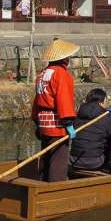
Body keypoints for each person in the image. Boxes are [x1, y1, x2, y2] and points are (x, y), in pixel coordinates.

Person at [31, 37, 79, 182]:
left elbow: (37, 100)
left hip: (43, 122)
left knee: (46, 155)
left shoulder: (42, 74)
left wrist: (37, 122)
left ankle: (42, 182)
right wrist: (69, 123)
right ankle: (55, 188)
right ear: (64, 59)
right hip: (57, 124)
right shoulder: (61, 75)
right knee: (59, 158)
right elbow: (63, 100)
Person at [69, 88, 111, 172]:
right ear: (101, 102)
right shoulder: (105, 118)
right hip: (95, 162)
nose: (107, 103)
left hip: (74, 159)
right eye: (106, 100)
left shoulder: (78, 116)